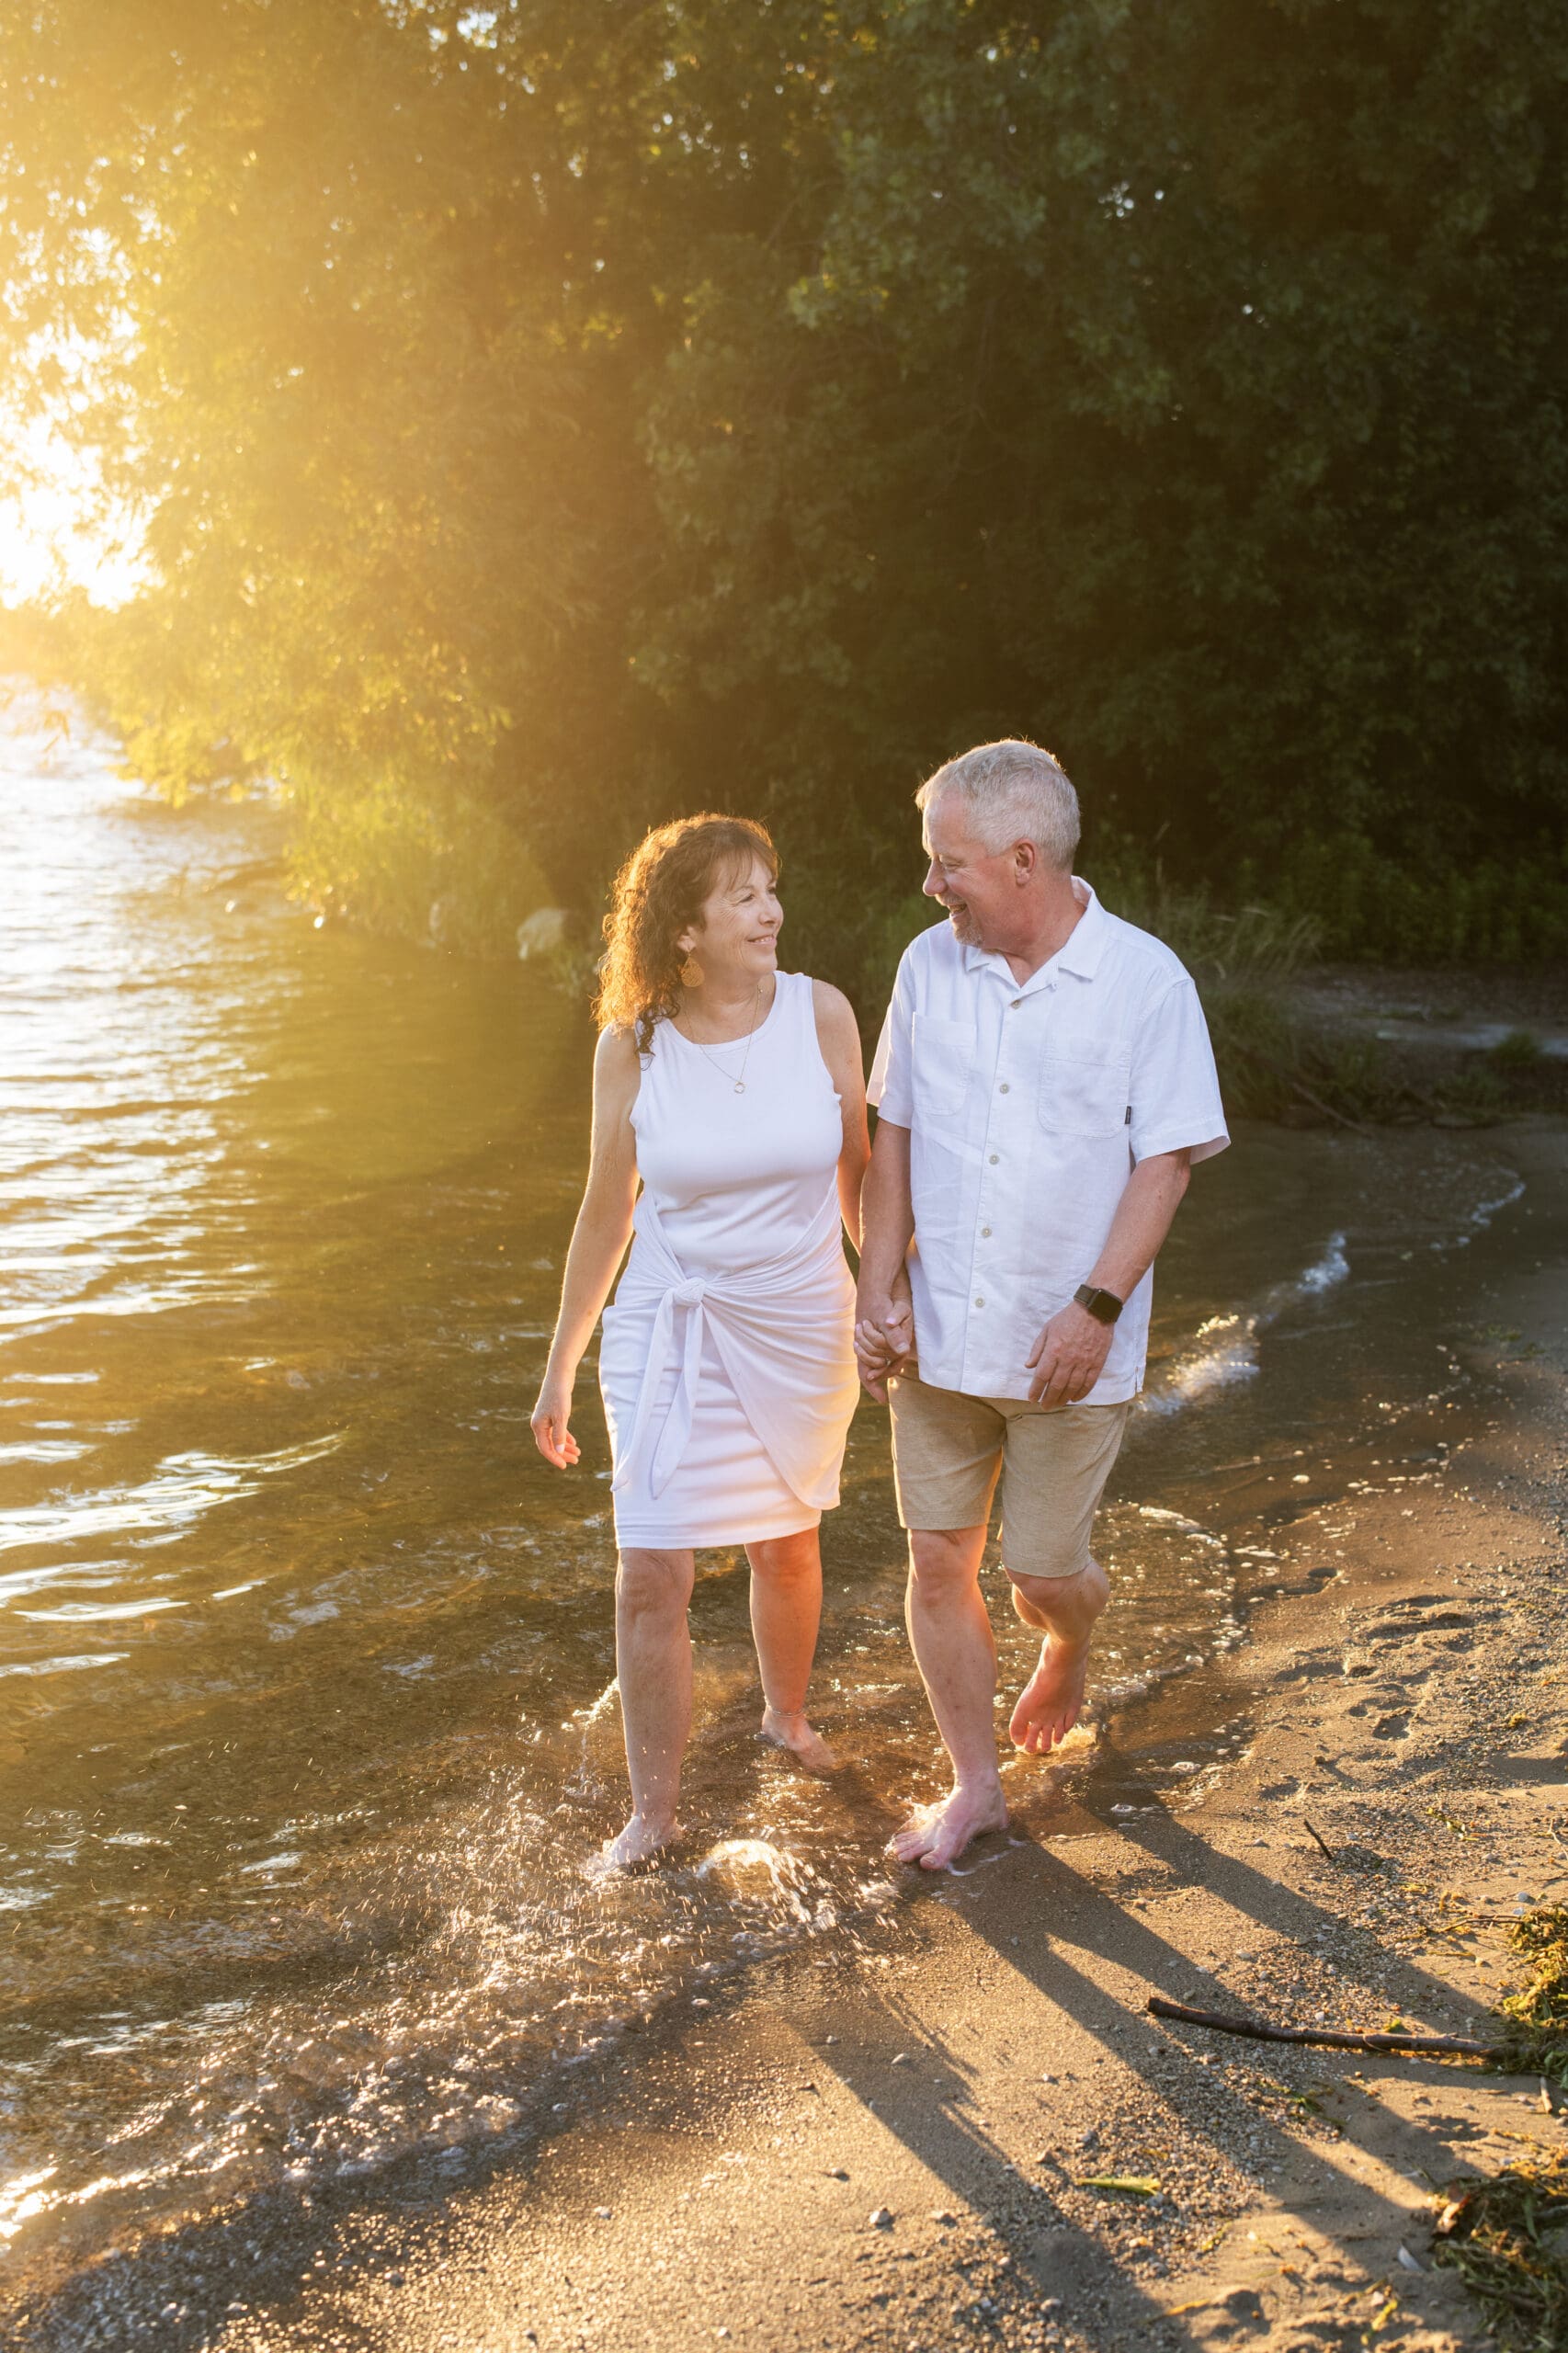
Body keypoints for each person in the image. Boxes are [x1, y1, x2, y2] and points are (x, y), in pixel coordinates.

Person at [855, 739, 1228, 1871]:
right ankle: (976, 1789)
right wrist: (876, 1288)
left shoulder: (1146, 983)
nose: (931, 884)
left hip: (1069, 1344)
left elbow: (1165, 1162)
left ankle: (1071, 1635)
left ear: (1023, 859)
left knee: (1040, 1573)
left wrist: (1093, 1308)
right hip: (936, 1339)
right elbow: (891, 1135)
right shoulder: (926, 965)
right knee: (936, 1561)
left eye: (948, 863)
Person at [531, 814, 868, 1870]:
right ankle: (653, 1813)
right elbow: (605, 1211)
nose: (770, 912)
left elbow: (860, 1174)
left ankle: (784, 1716)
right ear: (683, 929)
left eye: (770, 890)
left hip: (798, 1319)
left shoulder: (820, 1013)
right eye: (742, 896)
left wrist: (891, 1301)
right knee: (648, 1570)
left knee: (787, 1543)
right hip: (666, 1326)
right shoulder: (630, 1048)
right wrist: (560, 1365)